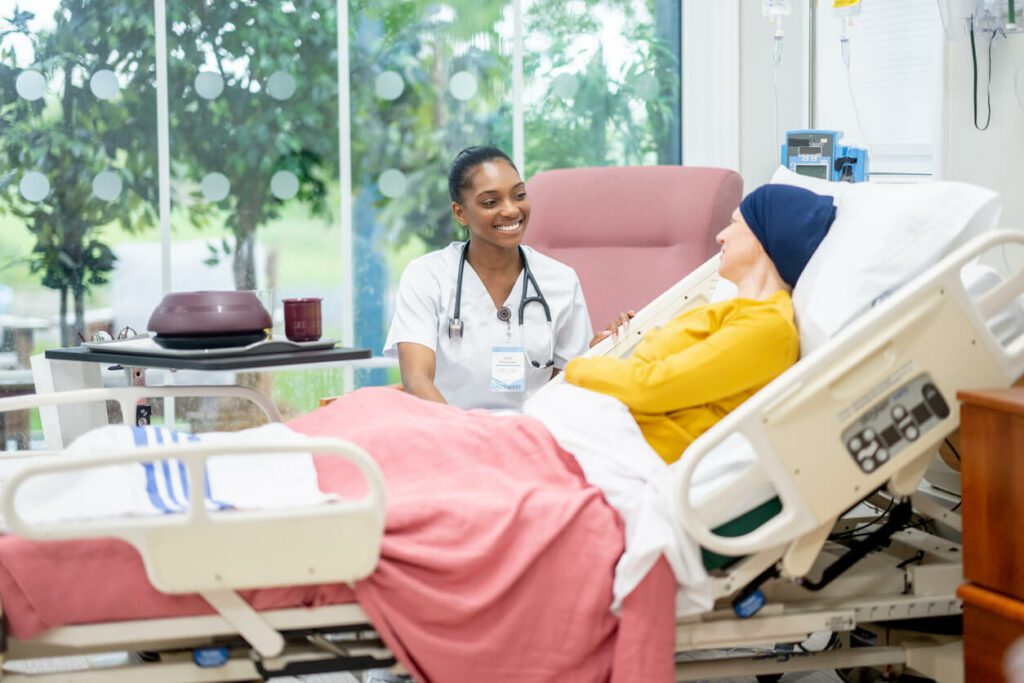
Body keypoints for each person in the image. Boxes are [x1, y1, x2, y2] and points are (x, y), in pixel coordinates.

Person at [562, 183, 836, 464]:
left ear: (762, 239)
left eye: (734, 224)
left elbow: (650, 388)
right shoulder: (731, 312)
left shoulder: (768, 328)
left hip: (632, 452)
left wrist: (574, 368)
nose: (721, 236)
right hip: (603, 433)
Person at [383, 146, 593, 411]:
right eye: (490, 202)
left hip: (532, 435)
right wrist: (470, 438)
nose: (511, 211)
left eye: (519, 195)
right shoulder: (427, 276)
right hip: (451, 432)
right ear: (460, 213)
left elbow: (568, 383)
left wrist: (607, 348)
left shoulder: (561, 280)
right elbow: (416, 379)